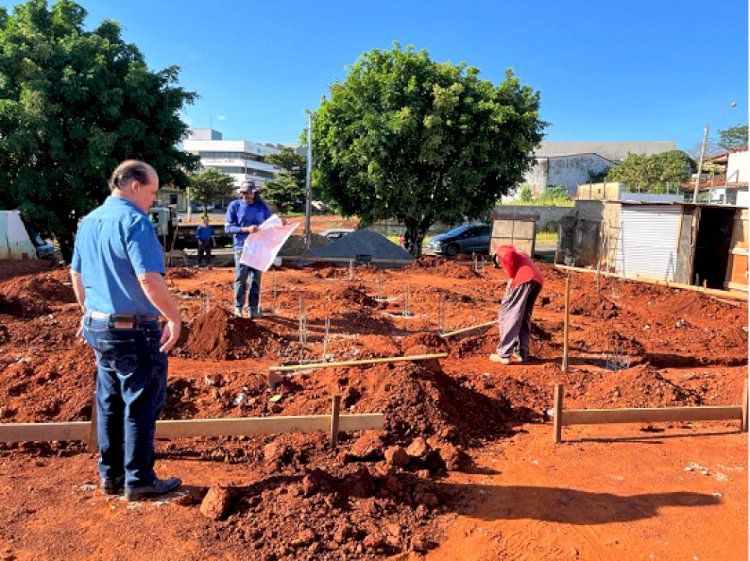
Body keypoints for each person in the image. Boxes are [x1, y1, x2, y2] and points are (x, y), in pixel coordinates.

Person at [70, 160, 183, 501]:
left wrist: (88, 311)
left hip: (98, 326)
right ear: (134, 185)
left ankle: (111, 477)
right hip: (133, 330)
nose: (153, 200)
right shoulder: (135, 221)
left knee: (109, 403)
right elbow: (149, 279)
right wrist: (174, 318)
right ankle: (139, 479)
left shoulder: (89, 222)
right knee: (141, 402)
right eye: (151, 192)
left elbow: (76, 275)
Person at [224, 179, 272, 318]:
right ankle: (238, 307)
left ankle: (253, 308)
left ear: (254, 193)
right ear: (241, 193)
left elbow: (270, 222)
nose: (248, 195)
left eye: (250, 193)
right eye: (245, 193)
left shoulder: (261, 206)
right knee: (241, 278)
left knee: (256, 279)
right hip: (242, 247)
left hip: (258, 247)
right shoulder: (235, 206)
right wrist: (246, 229)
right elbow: (228, 228)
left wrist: (281, 222)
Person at [489, 244, 544, 364]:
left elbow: (507, 255)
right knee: (523, 316)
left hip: (524, 279)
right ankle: (521, 353)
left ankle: (504, 354)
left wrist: (511, 277)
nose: (501, 267)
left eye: (499, 265)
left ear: (496, 258)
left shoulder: (501, 251)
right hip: (537, 280)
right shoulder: (521, 253)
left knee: (509, 313)